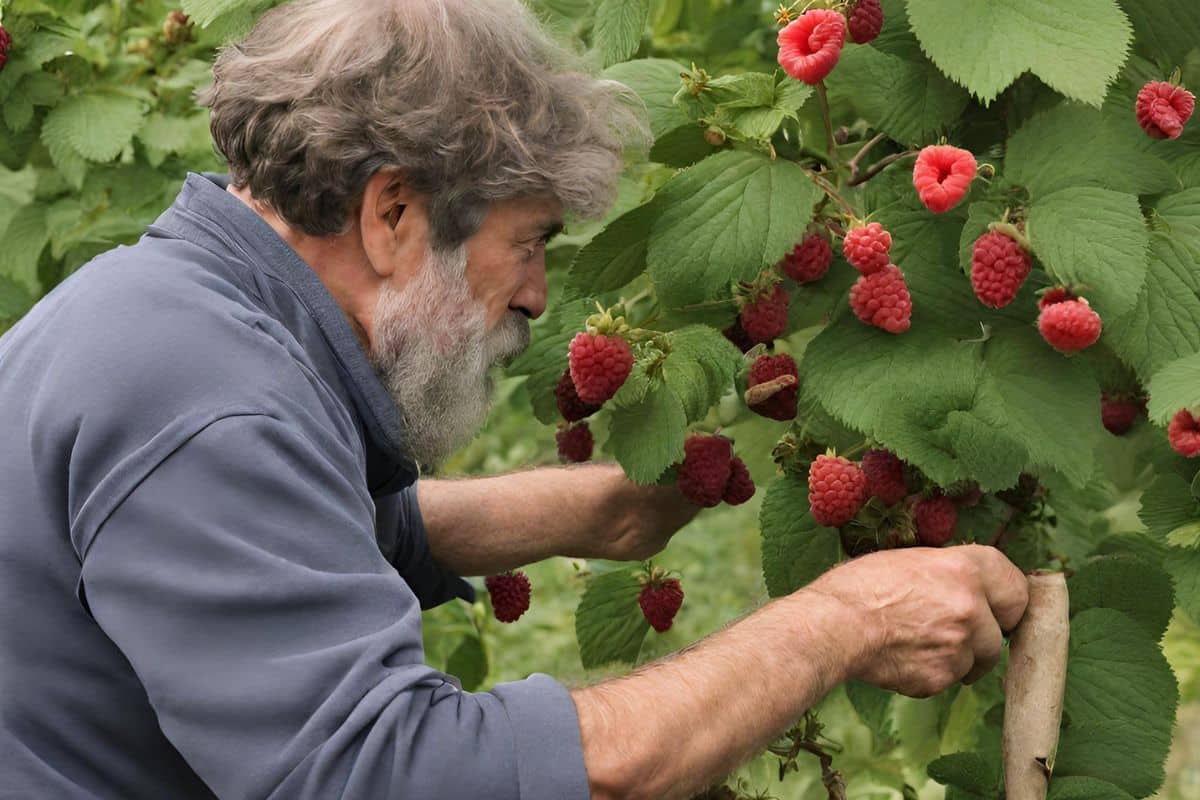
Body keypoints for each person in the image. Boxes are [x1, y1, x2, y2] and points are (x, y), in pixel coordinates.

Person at [0, 0, 1029, 797]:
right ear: (393, 211)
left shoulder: (178, 315)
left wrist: (583, 511)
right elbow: (403, 774)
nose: (537, 292)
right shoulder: (208, 408)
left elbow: (267, 536)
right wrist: (838, 623)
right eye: (526, 243)